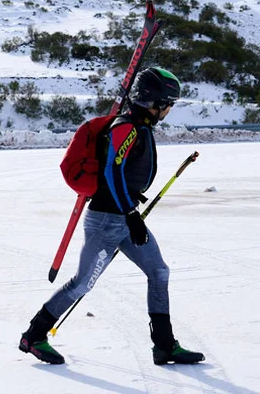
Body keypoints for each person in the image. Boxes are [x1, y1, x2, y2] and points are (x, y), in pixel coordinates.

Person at [19, 67, 204, 366]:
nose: (169, 110)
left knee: (159, 272)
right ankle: (34, 336)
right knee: (82, 284)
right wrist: (130, 213)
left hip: (125, 219)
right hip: (107, 220)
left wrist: (131, 214)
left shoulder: (139, 126)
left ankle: (165, 346)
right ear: (156, 102)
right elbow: (112, 171)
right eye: (169, 103)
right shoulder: (126, 128)